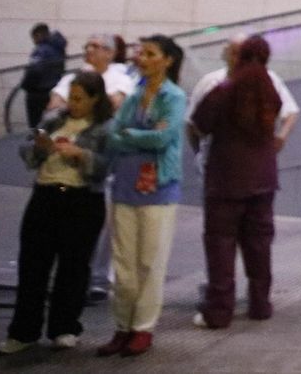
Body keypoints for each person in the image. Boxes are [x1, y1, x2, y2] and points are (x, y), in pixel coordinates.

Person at [0, 70, 114, 355]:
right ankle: (23, 331)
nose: (72, 104)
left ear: (95, 99)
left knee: (73, 267)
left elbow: (108, 165)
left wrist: (80, 155)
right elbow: (26, 149)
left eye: (79, 98)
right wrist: (41, 148)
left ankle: (64, 327)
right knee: (33, 265)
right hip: (45, 195)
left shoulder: (105, 128)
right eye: (70, 97)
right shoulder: (53, 120)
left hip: (82, 200)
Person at [99, 34, 187, 358]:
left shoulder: (174, 97)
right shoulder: (135, 95)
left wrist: (131, 135)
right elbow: (111, 135)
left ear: (167, 60)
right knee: (123, 264)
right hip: (124, 185)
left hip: (158, 189)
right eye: (141, 53)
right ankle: (122, 326)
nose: (141, 58)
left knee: (150, 262)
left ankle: (143, 328)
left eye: (150, 53)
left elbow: (164, 138)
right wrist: (139, 137)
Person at [191, 35, 281, 329]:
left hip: (226, 178)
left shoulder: (224, 89)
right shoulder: (270, 89)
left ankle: (219, 311)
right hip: (263, 177)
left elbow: (199, 123)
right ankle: (260, 304)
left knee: (220, 245)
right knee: (259, 244)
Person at [188, 35, 300, 154]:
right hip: (221, 157)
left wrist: (281, 137)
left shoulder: (269, 80)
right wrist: (199, 152)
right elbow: (193, 125)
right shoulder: (210, 83)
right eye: (234, 53)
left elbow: (290, 111)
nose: (237, 59)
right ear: (225, 54)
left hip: (256, 156)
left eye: (243, 55)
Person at [48, 32, 136, 113]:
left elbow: (114, 105)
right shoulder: (70, 78)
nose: (89, 50)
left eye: (95, 46)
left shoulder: (122, 79)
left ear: (110, 53)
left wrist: (71, 106)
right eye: (87, 46)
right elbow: (54, 106)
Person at [21, 23, 69, 129]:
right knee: (51, 124)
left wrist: (25, 85)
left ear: (38, 35)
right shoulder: (59, 49)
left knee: (36, 125)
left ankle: (38, 143)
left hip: (37, 92)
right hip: (53, 90)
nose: (34, 42)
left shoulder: (41, 50)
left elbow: (34, 70)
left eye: (34, 38)